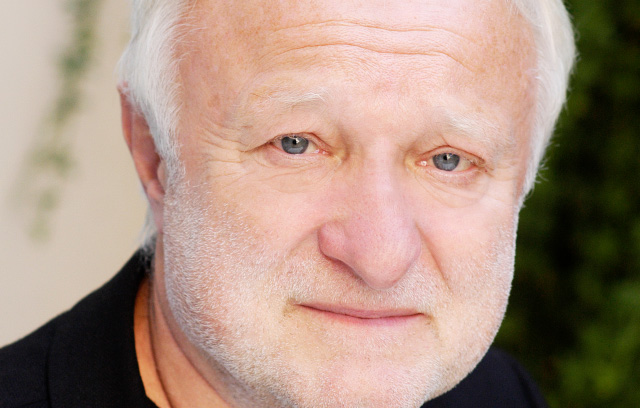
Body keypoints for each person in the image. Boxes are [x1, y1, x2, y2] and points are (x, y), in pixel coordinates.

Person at [0, 0, 576, 406]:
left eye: (448, 160)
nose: (379, 258)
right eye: (295, 144)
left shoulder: (499, 395)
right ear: (154, 150)